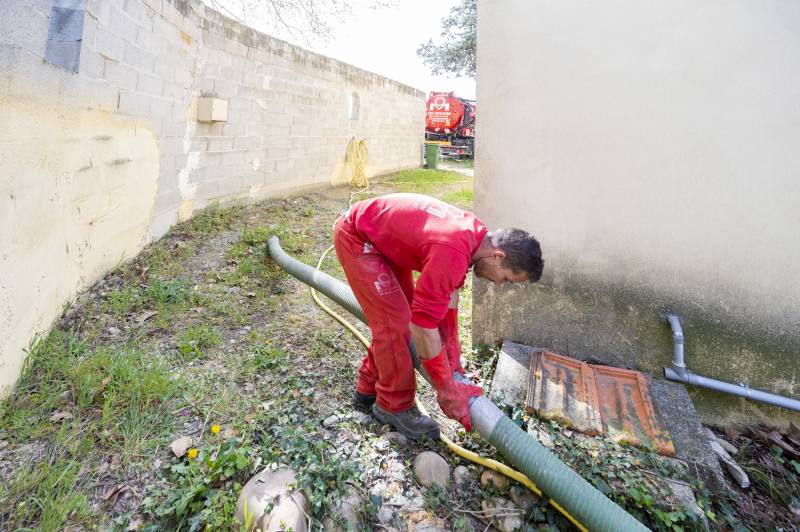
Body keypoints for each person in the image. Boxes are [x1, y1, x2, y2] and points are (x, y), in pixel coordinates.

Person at [333, 193, 543, 440]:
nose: (498, 284)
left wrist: (451, 350)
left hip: (383, 241)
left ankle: (366, 390)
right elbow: (422, 324)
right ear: (498, 256)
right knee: (396, 325)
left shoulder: (473, 237)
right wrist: (446, 388)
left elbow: (448, 297)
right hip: (359, 237)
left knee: (396, 321)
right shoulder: (453, 249)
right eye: (506, 279)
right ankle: (392, 406)